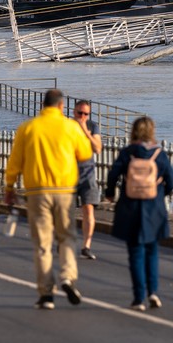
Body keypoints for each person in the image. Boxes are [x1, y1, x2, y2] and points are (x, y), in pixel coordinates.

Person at [4, 89, 92, 310]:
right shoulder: (70, 127)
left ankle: (46, 294)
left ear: (42, 105)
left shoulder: (28, 128)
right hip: (64, 190)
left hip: (37, 192)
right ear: (62, 106)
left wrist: (9, 186)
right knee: (67, 237)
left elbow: (15, 161)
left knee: (42, 244)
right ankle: (67, 277)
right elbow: (85, 154)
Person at [105, 116, 173, 311]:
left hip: (130, 207)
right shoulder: (159, 154)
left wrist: (110, 193)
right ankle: (153, 292)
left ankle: (138, 298)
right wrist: (163, 192)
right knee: (152, 251)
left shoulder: (128, 153)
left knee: (135, 253)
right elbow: (172, 181)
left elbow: (113, 175)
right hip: (154, 208)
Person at [72, 100, 102, 260]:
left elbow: (97, 148)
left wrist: (86, 131)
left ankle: (86, 246)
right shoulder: (67, 127)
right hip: (68, 174)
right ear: (73, 112)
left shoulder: (92, 126)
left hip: (88, 173)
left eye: (86, 114)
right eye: (79, 113)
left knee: (88, 209)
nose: (82, 116)